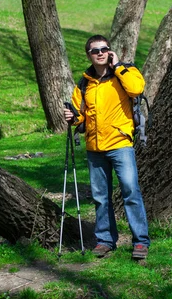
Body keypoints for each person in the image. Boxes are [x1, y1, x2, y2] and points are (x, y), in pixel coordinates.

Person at [64, 35, 150, 260]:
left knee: (131, 192)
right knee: (101, 197)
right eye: (95, 50)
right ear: (89, 55)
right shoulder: (84, 84)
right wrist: (72, 117)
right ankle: (105, 240)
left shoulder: (125, 73)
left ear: (110, 52)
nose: (100, 53)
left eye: (104, 49)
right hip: (94, 148)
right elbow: (79, 117)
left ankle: (140, 241)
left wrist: (119, 65)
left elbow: (136, 89)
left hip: (120, 144)